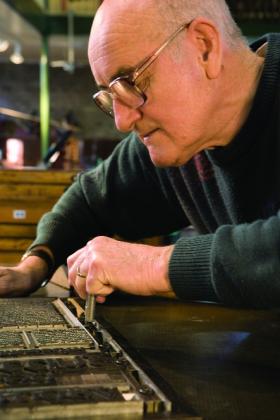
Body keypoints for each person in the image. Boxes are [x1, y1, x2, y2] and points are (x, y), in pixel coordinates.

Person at [0, 0, 279, 308]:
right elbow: (90, 201)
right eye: (110, 96)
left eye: (130, 82)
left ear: (204, 48)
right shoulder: (182, 143)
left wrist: (152, 266)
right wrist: (33, 266)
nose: (121, 121)